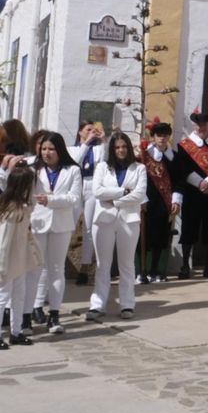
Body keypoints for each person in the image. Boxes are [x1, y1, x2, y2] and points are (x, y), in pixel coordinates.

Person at [87, 131, 147, 322]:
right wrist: (122, 192)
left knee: (127, 264)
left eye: (124, 147)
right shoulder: (103, 167)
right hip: (104, 219)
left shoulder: (139, 168)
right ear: (112, 149)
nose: (121, 150)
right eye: (117, 147)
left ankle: (127, 304)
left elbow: (139, 195)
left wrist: (115, 201)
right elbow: (97, 191)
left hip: (128, 220)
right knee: (102, 264)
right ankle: (97, 305)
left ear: (129, 148)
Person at [30, 132, 82, 335]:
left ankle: (54, 314)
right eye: (43, 149)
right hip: (38, 222)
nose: (47, 153)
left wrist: (51, 200)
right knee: (36, 267)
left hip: (61, 224)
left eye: (51, 149)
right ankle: (32, 308)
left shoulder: (72, 171)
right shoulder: (34, 169)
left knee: (56, 268)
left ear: (60, 150)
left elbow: (74, 198)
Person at [0, 163, 42, 350]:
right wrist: (0, 268)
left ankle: (16, 332)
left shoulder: (23, 206)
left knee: (19, 295)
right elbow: (2, 243)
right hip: (7, 260)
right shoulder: (11, 209)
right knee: (2, 296)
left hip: (19, 258)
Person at [176, 109, 208, 279]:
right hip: (192, 193)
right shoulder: (184, 145)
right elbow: (183, 169)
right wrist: (199, 183)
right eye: (198, 124)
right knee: (188, 229)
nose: (201, 127)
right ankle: (185, 266)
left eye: (205, 124)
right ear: (194, 125)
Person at [140, 122, 184, 283]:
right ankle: (141, 271)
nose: (162, 138)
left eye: (165, 135)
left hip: (165, 203)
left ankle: (156, 270)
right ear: (153, 137)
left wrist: (176, 200)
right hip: (146, 202)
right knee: (144, 237)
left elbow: (179, 181)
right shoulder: (145, 155)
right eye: (159, 135)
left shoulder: (175, 157)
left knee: (161, 237)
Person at [71, 121, 104, 285]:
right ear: (80, 132)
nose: (92, 132)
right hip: (77, 184)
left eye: (94, 130)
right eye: (88, 130)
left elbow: (104, 162)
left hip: (92, 185)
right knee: (70, 222)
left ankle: (85, 267)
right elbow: (75, 161)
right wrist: (86, 143)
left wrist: (103, 141)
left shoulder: (98, 149)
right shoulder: (74, 149)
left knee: (89, 227)